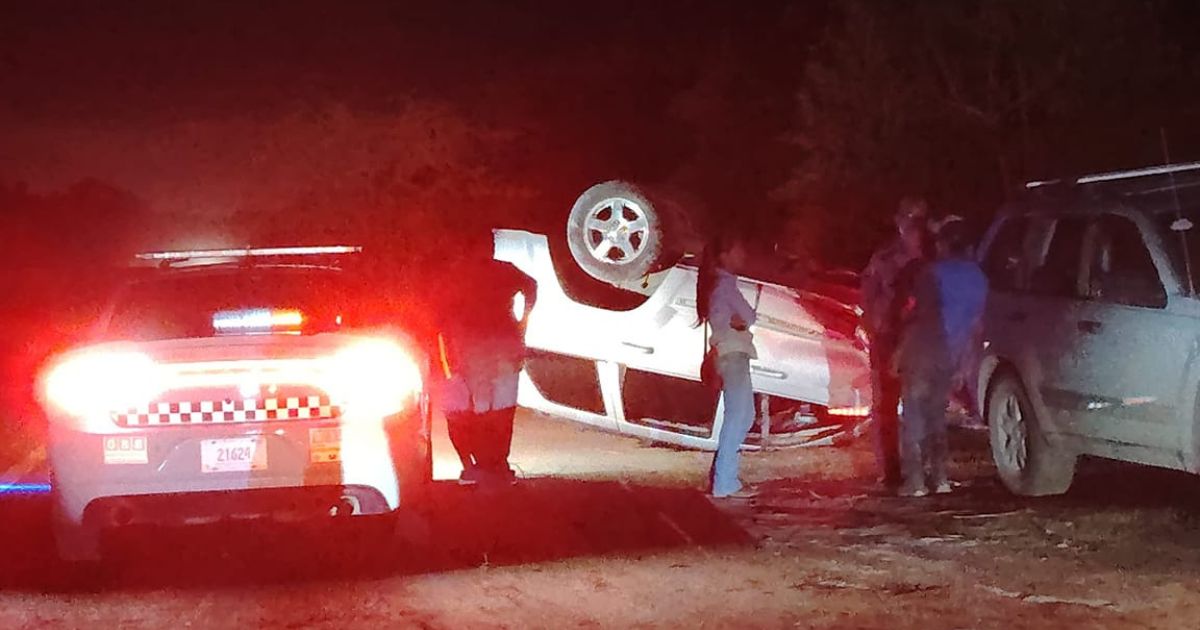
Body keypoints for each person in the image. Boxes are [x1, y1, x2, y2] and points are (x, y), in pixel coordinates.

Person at [893, 217, 988, 497]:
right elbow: (976, 326)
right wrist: (965, 364)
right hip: (952, 355)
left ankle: (915, 481)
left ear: (943, 244)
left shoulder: (931, 273)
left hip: (925, 348)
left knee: (913, 415)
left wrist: (900, 350)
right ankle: (941, 478)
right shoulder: (979, 278)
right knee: (936, 415)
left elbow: (920, 315)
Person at [436, 232, 536, 485]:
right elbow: (531, 286)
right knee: (497, 409)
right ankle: (493, 463)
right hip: (496, 345)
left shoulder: (456, 273)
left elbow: (438, 313)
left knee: (471, 408)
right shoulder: (501, 271)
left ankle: (478, 464)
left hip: (472, 346)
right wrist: (523, 320)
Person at [860, 197, 931, 489]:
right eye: (908, 219)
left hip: (921, 338)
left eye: (918, 220)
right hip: (889, 336)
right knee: (886, 406)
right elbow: (867, 294)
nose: (912, 226)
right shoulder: (885, 258)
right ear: (899, 221)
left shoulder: (933, 255)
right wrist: (876, 327)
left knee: (921, 403)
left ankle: (919, 468)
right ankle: (891, 470)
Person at [697, 234, 758, 499]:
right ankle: (725, 481)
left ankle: (725, 477)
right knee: (738, 417)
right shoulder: (724, 287)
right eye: (738, 250)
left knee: (744, 415)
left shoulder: (721, 284)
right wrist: (739, 321)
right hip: (733, 353)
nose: (742, 256)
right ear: (725, 255)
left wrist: (740, 320)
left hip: (732, 352)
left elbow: (742, 318)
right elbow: (744, 317)